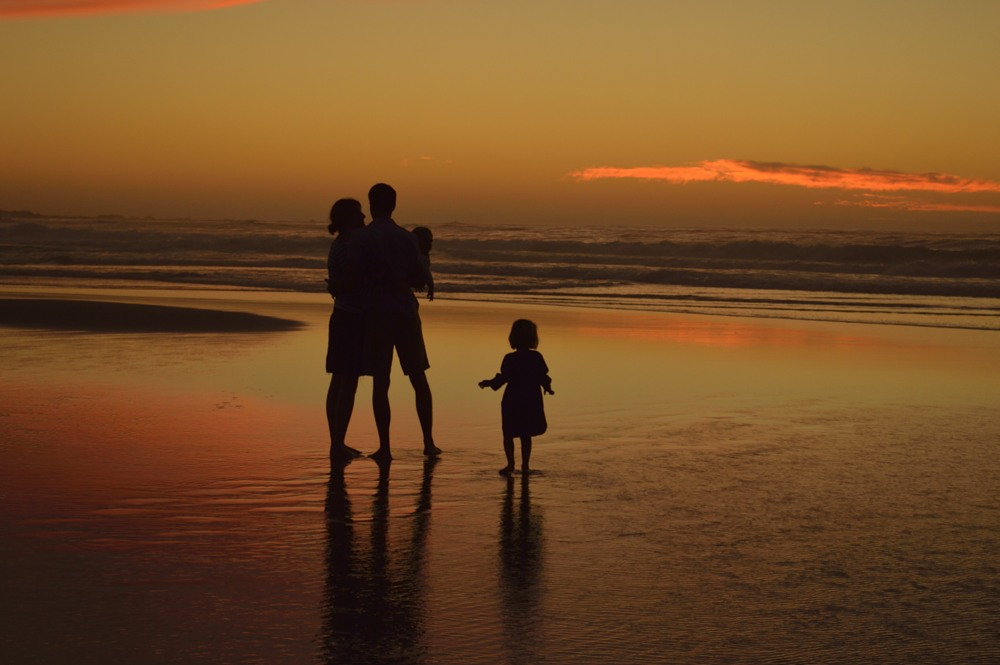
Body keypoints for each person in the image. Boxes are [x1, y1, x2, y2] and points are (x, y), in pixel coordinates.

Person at [352, 183, 440, 462]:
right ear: (394, 205)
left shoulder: (361, 237)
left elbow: (356, 276)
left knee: (381, 381)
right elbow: (417, 278)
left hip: (376, 313)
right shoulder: (407, 238)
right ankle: (428, 441)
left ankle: (385, 447)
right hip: (405, 311)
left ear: (370, 204)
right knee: (418, 377)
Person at [479, 319, 554, 475]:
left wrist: (489, 383)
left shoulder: (510, 358)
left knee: (508, 433)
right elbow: (543, 377)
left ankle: (511, 464)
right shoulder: (536, 357)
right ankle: (525, 465)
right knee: (526, 435)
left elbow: (503, 378)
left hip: (512, 399)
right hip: (530, 399)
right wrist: (548, 388)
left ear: (512, 337)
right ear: (533, 338)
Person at [325, 198, 366, 463]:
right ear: (351, 219)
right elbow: (351, 282)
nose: (364, 217)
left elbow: (342, 284)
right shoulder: (350, 247)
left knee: (339, 380)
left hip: (342, 314)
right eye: (359, 214)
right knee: (347, 382)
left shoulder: (338, 245)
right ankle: (337, 444)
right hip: (352, 318)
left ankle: (337, 442)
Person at [411, 226, 435, 301]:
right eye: (426, 241)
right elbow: (427, 273)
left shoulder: (414, 254)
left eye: (431, 241)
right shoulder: (422, 257)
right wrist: (431, 287)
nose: (429, 245)